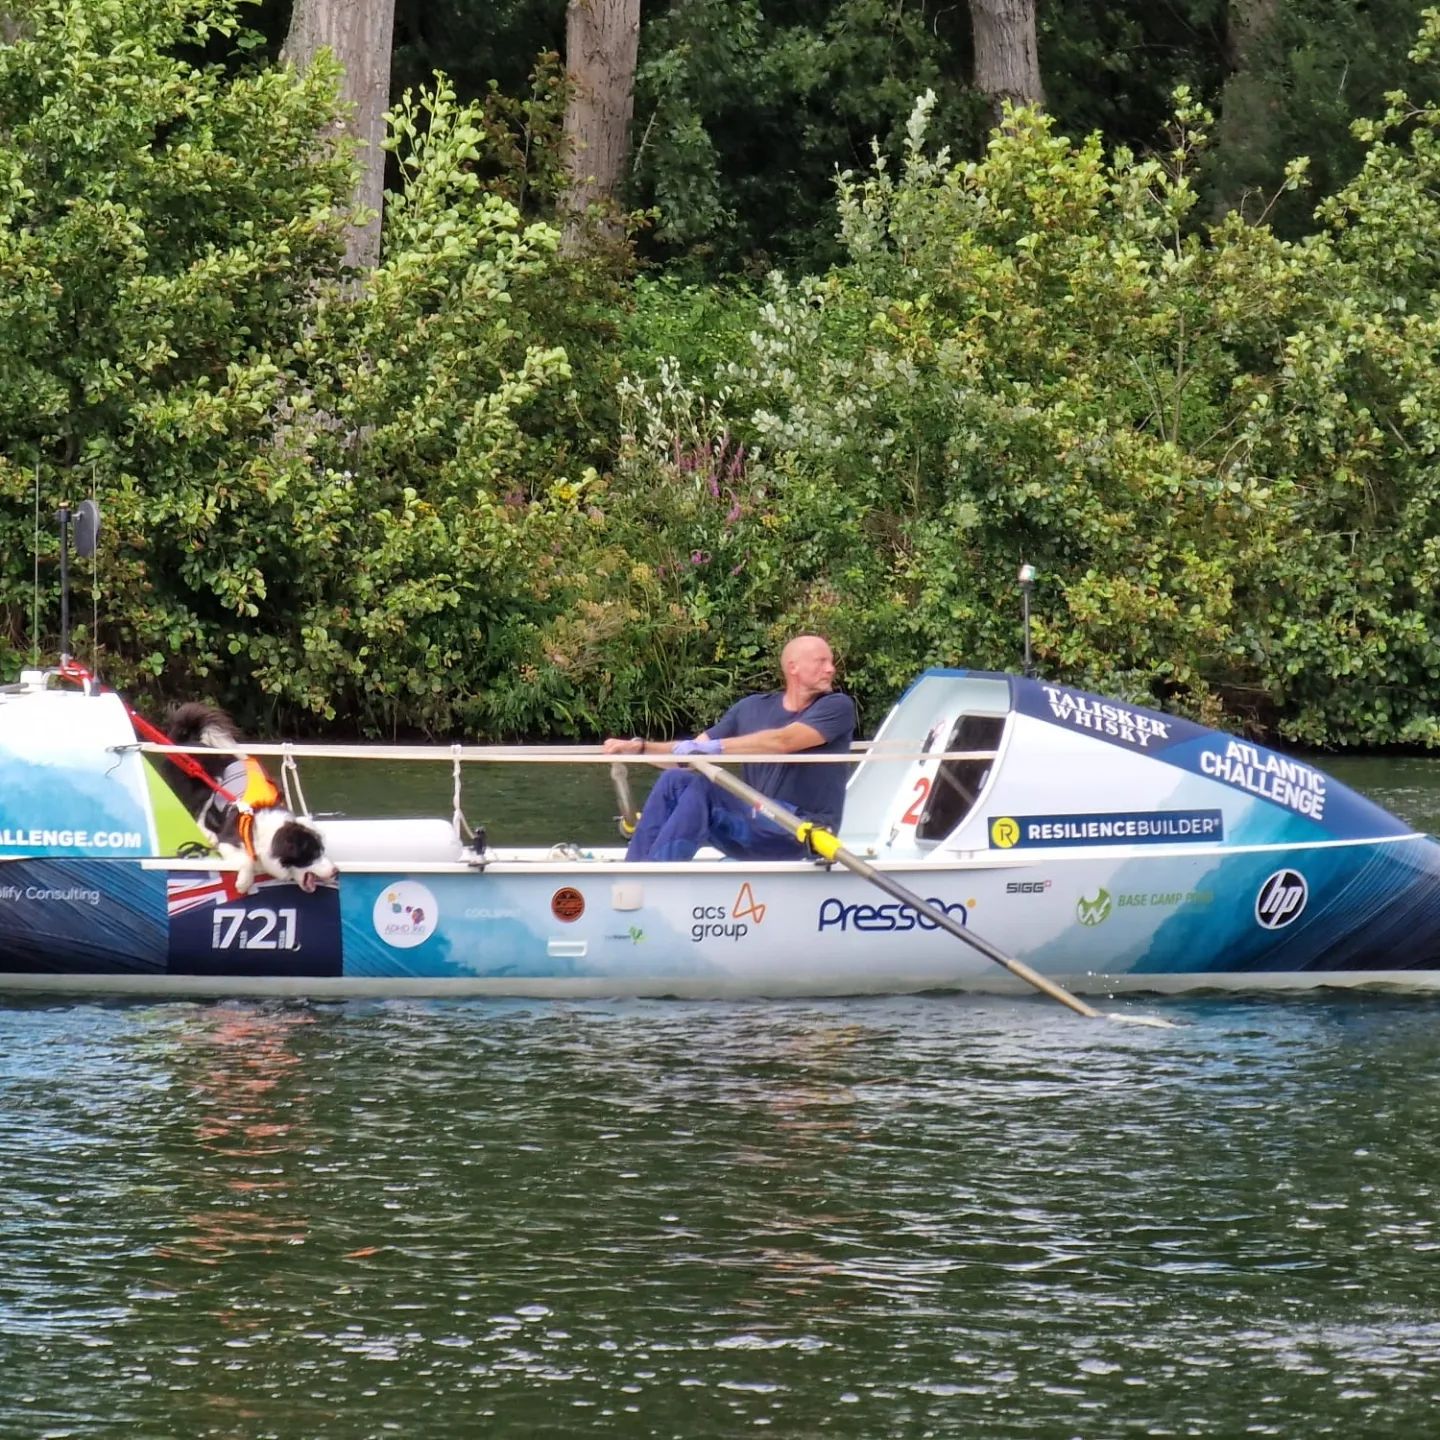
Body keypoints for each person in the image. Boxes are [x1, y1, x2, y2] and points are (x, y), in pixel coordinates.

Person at [602, 635, 856, 861]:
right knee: (674, 780)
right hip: (753, 826)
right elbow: (690, 753)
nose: (831, 669)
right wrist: (641, 749)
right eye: (821, 662)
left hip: (802, 831)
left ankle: (656, 881)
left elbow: (784, 741)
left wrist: (717, 748)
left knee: (705, 789)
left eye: (831, 662)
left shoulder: (837, 707)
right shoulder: (751, 708)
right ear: (793, 667)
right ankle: (634, 874)